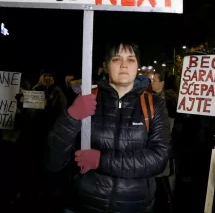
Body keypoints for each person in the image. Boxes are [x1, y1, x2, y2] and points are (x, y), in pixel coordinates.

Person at [45, 41, 171, 213]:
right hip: (83, 203)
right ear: (105, 65)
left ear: (138, 65)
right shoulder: (88, 99)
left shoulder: (153, 104)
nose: (124, 65)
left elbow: (158, 159)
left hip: (134, 206)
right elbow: (53, 161)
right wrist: (71, 116)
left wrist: (100, 160)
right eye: (116, 59)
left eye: (131, 59)